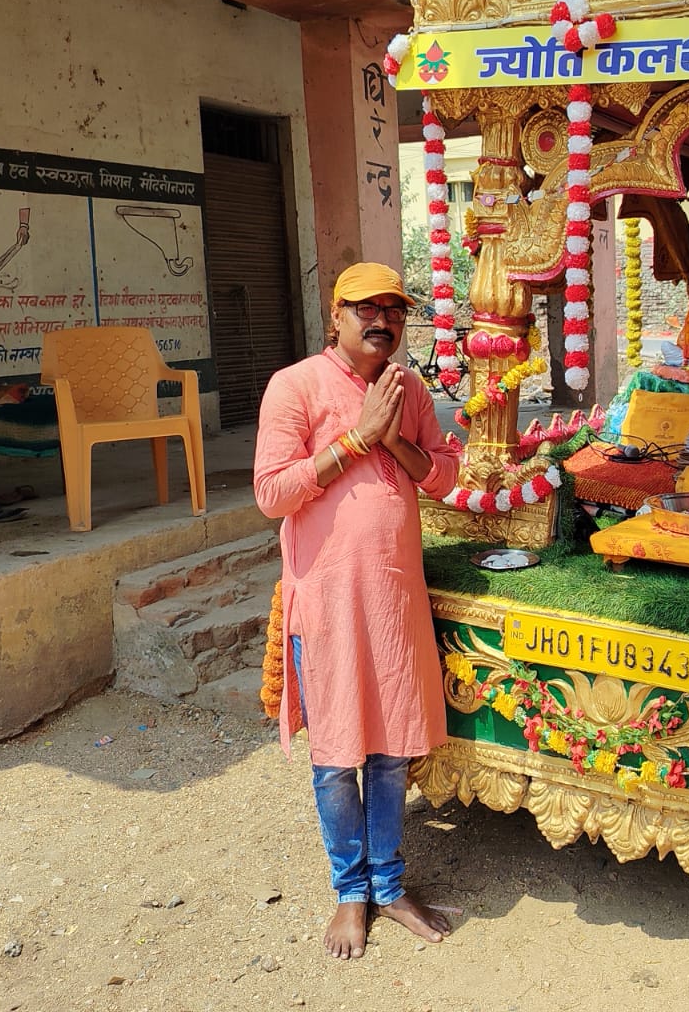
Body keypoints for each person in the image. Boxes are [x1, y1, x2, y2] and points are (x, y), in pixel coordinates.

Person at [253, 261, 462, 960]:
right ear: (334, 316)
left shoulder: (410, 389)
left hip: (394, 598)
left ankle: (390, 883)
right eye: (366, 308)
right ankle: (351, 891)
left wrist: (390, 434)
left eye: (395, 311)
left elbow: (445, 475)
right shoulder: (295, 386)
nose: (383, 321)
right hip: (330, 602)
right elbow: (273, 494)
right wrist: (353, 440)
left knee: (392, 749)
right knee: (339, 755)